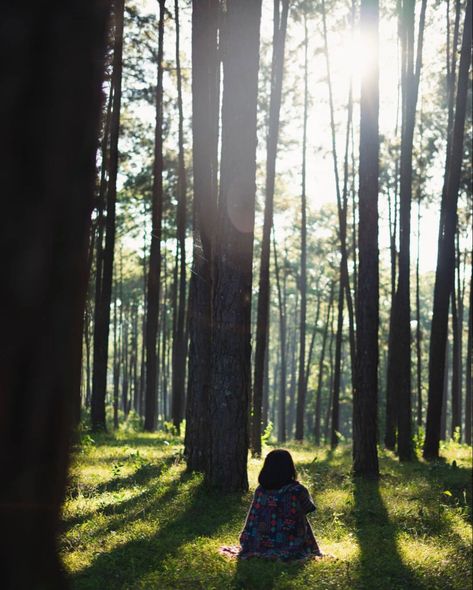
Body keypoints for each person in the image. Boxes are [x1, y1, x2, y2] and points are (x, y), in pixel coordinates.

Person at [239, 449, 322, 561]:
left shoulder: (261, 490)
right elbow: (308, 508)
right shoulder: (297, 490)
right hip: (290, 543)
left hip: (255, 542)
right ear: (289, 468)